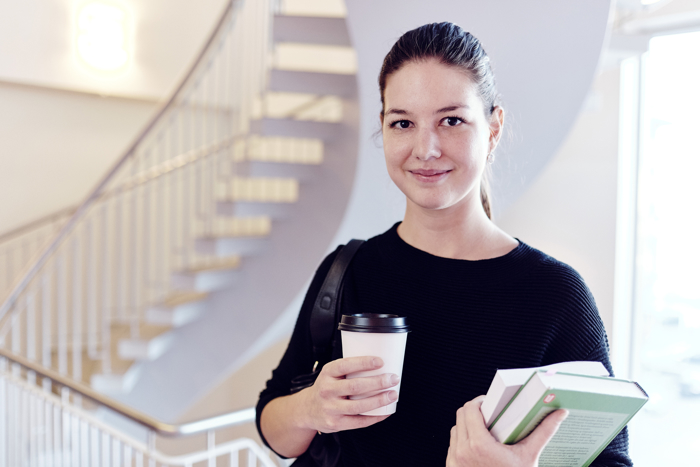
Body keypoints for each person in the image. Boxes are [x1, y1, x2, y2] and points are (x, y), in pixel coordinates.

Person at [256, 22, 632, 466]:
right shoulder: (347, 270)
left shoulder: (555, 296)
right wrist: (310, 407)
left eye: (451, 120)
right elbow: (275, 429)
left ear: (493, 128)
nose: (425, 148)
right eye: (403, 123)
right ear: (383, 128)